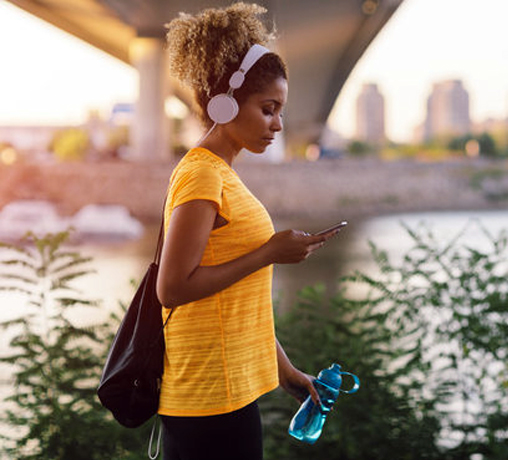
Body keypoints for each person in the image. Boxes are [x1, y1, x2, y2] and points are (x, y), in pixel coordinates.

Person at [156, 4, 339, 459]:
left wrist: (290, 374)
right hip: (206, 401)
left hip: (230, 393)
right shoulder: (201, 174)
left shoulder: (223, 174)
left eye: (280, 111)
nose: (278, 124)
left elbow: (240, 301)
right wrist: (268, 253)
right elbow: (173, 288)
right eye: (268, 109)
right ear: (224, 103)